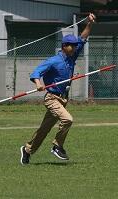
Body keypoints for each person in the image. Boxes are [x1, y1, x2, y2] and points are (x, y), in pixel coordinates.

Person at [20, 13, 96, 165]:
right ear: (64, 46)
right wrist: (38, 84)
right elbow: (36, 72)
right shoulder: (53, 61)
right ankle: (57, 146)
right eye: (72, 46)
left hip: (63, 99)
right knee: (68, 119)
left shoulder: (72, 57)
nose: (75, 47)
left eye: (75, 46)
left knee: (44, 129)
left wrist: (89, 24)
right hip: (51, 98)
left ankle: (27, 150)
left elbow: (82, 38)